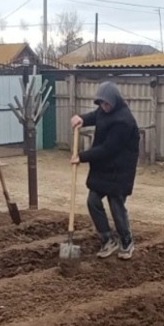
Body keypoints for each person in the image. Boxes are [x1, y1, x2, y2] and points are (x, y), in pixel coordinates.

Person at [70, 81, 139, 260]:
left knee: (116, 206)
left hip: (119, 170)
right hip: (104, 168)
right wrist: (82, 119)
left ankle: (126, 240)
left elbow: (108, 148)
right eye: (101, 103)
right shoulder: (103, 110)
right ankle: (108, 239)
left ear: (115, 101)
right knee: (93, 201)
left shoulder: (124, 121)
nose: (104, 107)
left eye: (107, 104)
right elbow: (96, 116)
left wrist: (82, 156)